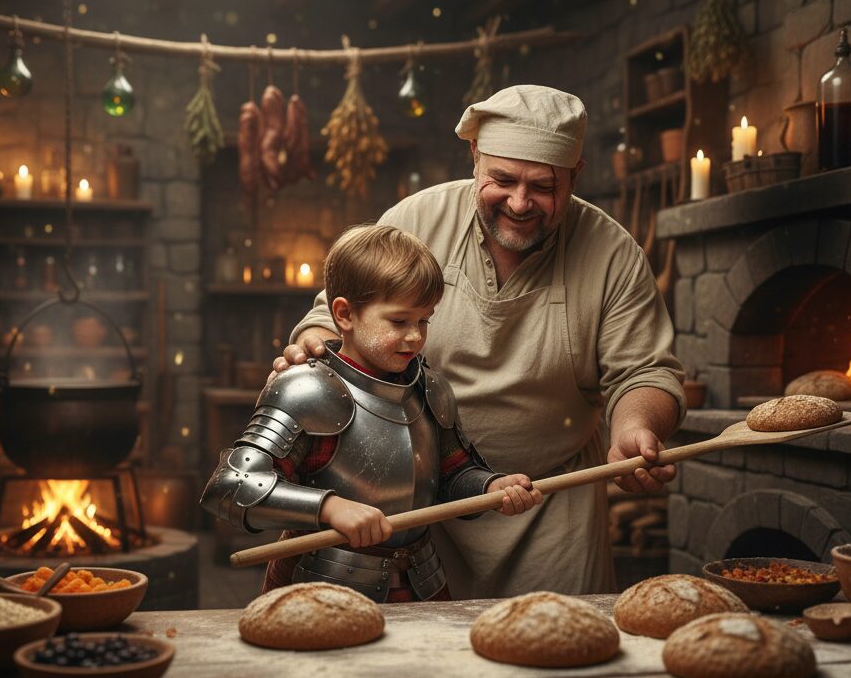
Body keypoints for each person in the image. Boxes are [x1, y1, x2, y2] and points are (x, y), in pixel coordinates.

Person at [276, 85, 686, 598]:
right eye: (503, 179)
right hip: (416, 505)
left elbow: (645, 371)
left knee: (552, 659)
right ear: (475, 158)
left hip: (548, 505)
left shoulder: (611, 253)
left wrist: (635, 427)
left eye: (543, 186)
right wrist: (310, 354)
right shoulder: (415, 221)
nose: (519, 202)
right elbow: (333, 317)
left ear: (576, 175)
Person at [201, 224, 543, 603]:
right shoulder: (307, 389)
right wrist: (328, 508)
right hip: (319, 586)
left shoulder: (431, 390)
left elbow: (451, 474)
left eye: (424, 320)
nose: (415, 336)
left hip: (421, 582)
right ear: (345, 315)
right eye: (399, 321)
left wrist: (489, 487)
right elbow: (229, 488)